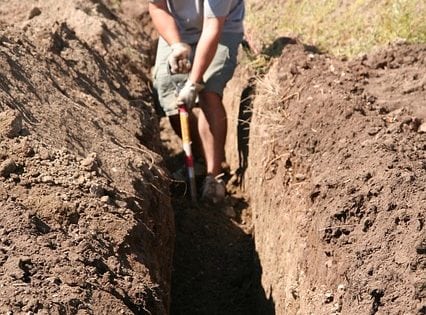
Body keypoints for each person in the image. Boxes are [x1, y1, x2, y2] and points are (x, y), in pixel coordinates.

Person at [148, 0, 244, 204]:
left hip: (221, 30)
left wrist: (193, 83)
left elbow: (213, 27)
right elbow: (157, 6)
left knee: (208, 91)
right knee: (169, 93)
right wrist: (176, 45)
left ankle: (214, 176)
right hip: (178, 28)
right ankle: (199, 158)